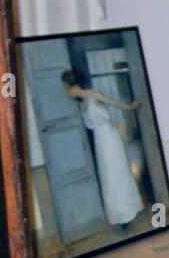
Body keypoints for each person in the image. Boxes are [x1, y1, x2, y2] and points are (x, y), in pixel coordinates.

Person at [61, 69, 144, 228]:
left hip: (110, 139)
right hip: (101, 142)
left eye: (66, 87)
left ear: (70, 86)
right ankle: (119, 215)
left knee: (117, 173)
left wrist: (131, 107)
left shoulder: (94, 95)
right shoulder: (82, 102)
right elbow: (75, 98)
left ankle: (127, 212)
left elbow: (116, 104)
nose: (66, 92)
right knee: (108, 176)